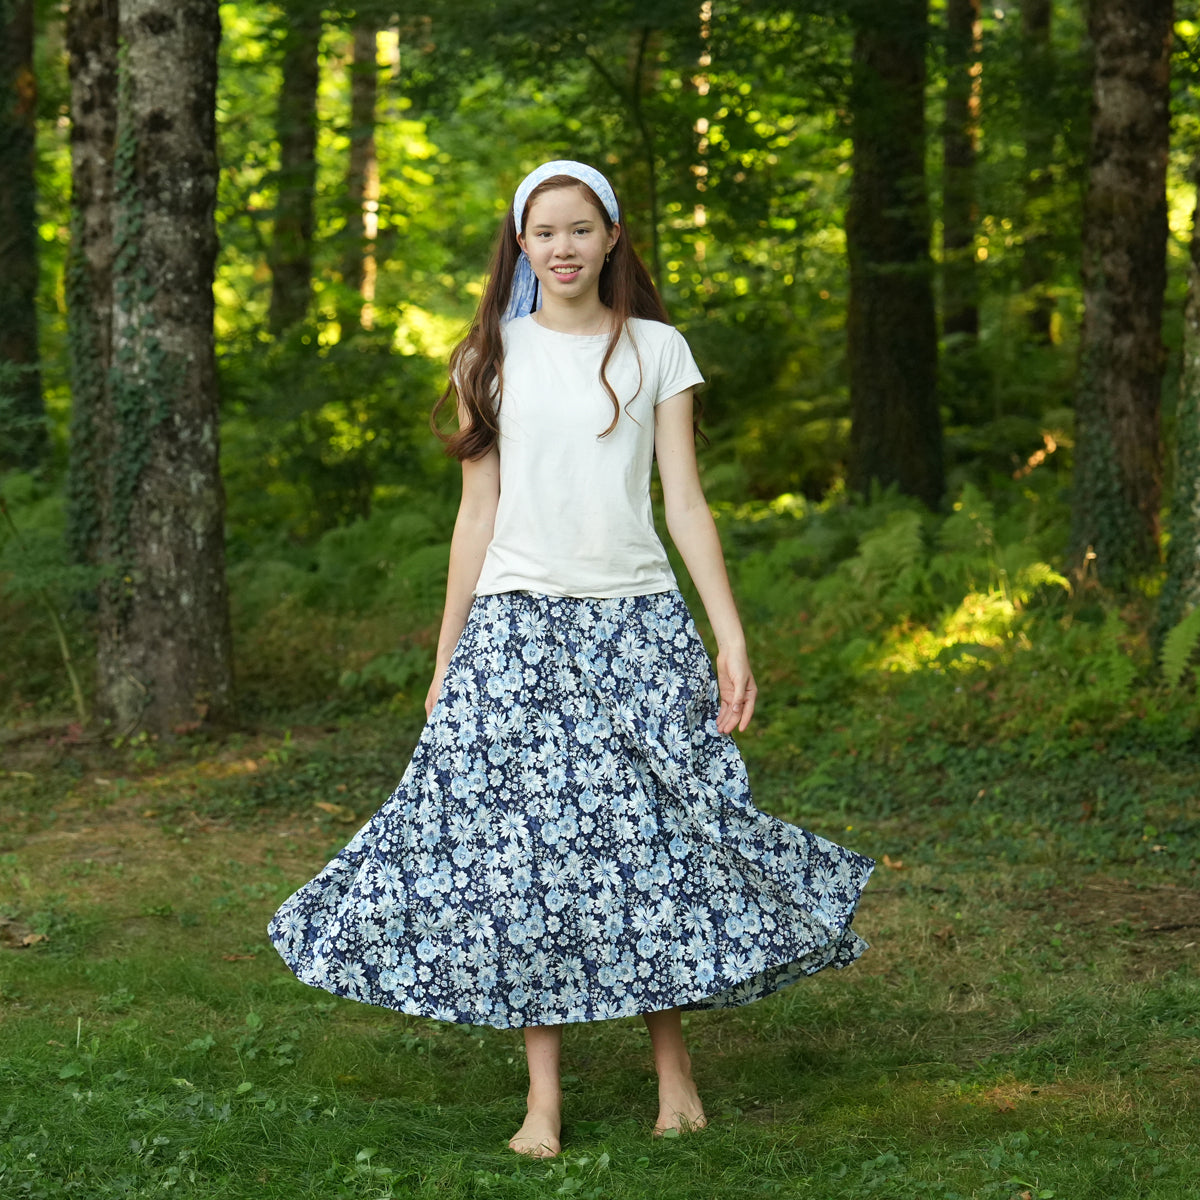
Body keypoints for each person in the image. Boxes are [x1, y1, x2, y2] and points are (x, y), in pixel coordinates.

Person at [269, 160, 873, 1159]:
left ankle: (675, 1078)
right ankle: (541, 1099)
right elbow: (476, 516)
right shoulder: (487, 359)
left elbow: (685, 502)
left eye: (580, 228)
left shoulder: (657, 352)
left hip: (635, 628)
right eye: (543, 231)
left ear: (612, 237)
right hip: (514, 635)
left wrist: (730, 633)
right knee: (524, 861)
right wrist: (446, 654)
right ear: (520, 244)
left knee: (655, 846)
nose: (562, 247)